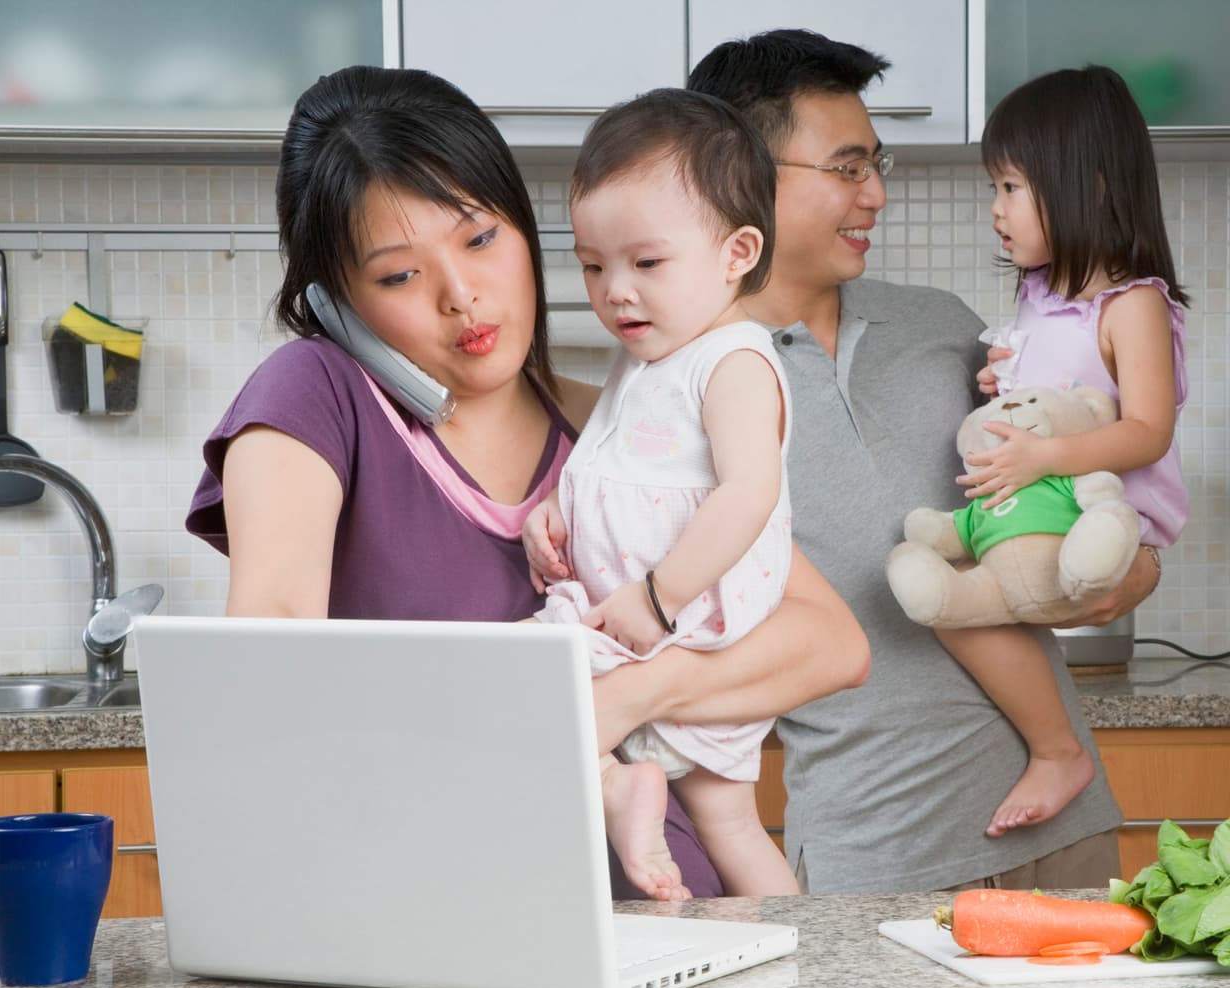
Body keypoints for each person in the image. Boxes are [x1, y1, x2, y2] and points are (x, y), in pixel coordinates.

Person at [184, 65, 870, 900]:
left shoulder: (613, 429)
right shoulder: (315, 396)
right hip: (445, 911)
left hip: (670, 918)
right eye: (399, 275)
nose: (461, 296)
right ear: (339, 298)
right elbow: (272, 676)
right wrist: (571, 712)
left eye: (480, 239)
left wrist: (621, 698)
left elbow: (834, 643)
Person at [690, 30, 1159, 895]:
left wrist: (1131, 574)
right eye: (846, 167)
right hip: (874, 862)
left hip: (1069, 841)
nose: (874, 194)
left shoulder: (943, 325)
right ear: (740, 173)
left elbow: (1079, 482)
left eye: (878, 164)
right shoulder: (691, 385)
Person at [521, 89, 799, 899]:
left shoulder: (733, 361)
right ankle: (807, 955)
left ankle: (617, 789)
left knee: (532, 685)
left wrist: (658, 594)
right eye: (593, 264)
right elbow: (609, 460)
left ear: (737, 252)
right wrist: (556, 508)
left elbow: (749, 493)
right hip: (639, 620)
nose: (616, 291)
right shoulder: (645, 357)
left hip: (683, 622)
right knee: (729, 822)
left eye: (646, 263)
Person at [919, 65, 1191, 838]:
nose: (995, 210)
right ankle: (1053, 745)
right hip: (1050, 509)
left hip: (1106, 516)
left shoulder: (1131, 302)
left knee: (956, 606)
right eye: (994, 189)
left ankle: (1057, 751)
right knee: (948, 601)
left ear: (1090, 186)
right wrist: (1002, 383)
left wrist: (1042, 458)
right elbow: (1051, 395)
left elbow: (1147, 429)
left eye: (1010, 188)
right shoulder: (1039, 299)